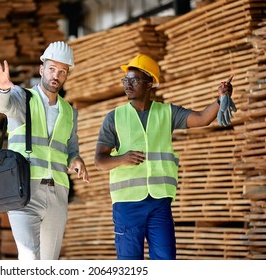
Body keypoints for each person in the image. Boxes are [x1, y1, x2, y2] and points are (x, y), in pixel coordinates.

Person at [94, 53, 234, 260]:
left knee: (166, 261)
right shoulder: (114, 117)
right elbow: (99, 160)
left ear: (150, 83)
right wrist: (121, 159)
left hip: (159, 202)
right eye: (126, 80)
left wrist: (220, 98)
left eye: (134, 80)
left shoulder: (167, 113)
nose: (127, 85)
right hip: (127, 204)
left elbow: (203, 119)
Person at [0, 41, 90, 260]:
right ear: (41, 69)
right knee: (29, 259)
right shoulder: (21, 97)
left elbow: (71, 147)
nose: (56, 75)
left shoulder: (69, 112)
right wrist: (2, 88)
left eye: (62, 71)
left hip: (57, 195)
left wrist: (75, 159)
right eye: (52, 69)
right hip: (24, 191)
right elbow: (1, 105)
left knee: (49, 262)